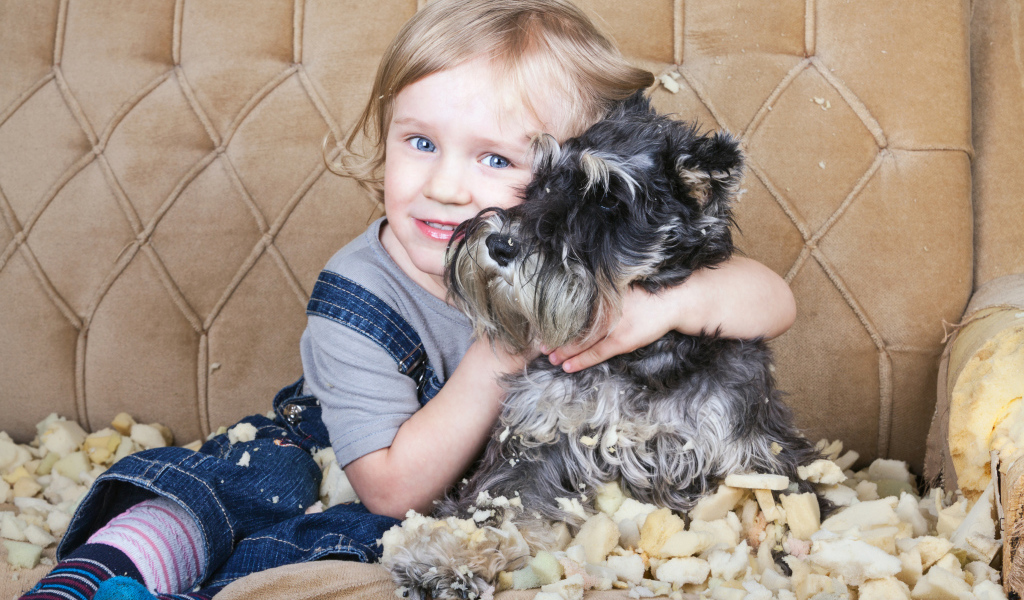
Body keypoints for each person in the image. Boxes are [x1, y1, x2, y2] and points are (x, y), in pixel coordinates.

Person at [22, 1, 795, 599]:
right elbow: (389, 488)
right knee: (212, 501)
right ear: (383, 136)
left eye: (497, 158)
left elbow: (773, 301)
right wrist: (502, 348)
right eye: (418, 142)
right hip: (350, 461)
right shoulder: (356, 294)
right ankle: (92, 580)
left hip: (499, 487)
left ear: (570, 175)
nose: (446, 185)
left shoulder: (603, 256)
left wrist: (668, 305)